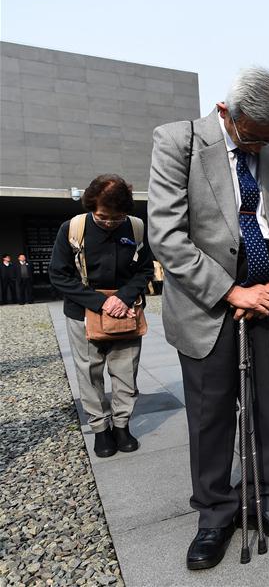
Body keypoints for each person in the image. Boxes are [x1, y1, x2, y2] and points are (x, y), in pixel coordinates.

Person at [148, 67, 269, 570]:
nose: (262, 147)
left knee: (266, 407)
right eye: (253, 137)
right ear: (227, 113)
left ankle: (261, 500)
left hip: (268, 293)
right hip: (207, 298)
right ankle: (215, 516)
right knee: (212, 414)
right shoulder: (177, 141)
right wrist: (230, 291)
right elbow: (167, 235)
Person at [48, 174, 154, 456]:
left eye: (116, 218)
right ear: (91, 205)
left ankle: (121, 425)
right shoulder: (73, 228)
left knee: (125, 370)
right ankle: (100, 429)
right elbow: (58, 275)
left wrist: (124, 297)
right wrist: (100, 302)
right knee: (89, 371)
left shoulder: (136, 228)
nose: (110, 222)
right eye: (104, 217)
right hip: (83, 309)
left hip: (126, 307)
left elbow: (145, 269)